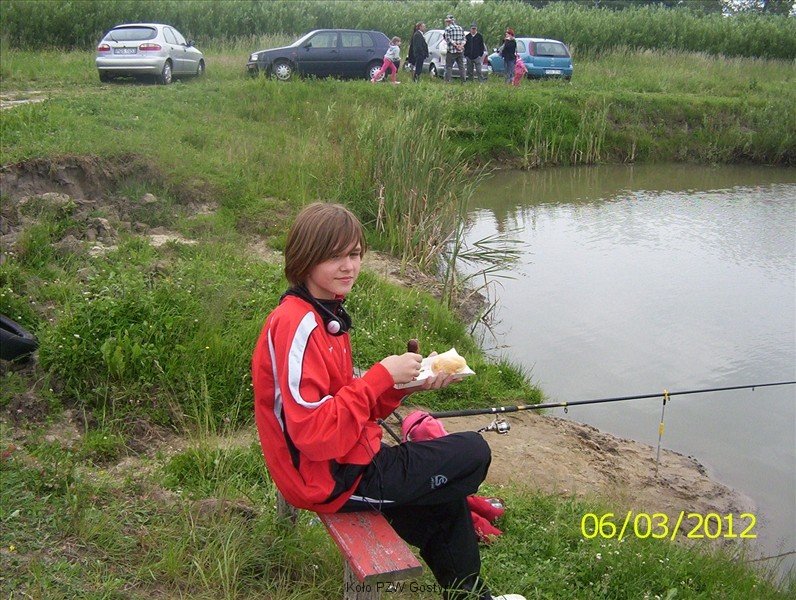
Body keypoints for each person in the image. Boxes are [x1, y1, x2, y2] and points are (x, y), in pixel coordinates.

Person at [252, 202, 526, 600]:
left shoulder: (326, 315)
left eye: (355, 254)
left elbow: (350, 408)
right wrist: (381, 375)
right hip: (327, 479)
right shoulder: (299, 325)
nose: (348, 266)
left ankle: (470, 595)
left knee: (444, 492)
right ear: (306, 258)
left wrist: (405, 386)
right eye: (334, 256)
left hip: (347, 459)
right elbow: (313, 434)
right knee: (472, 451)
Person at [443, 14, 465, 83]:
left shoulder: (448, 29)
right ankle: (463, 81)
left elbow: (448, 39)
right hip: (460, 51)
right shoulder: (460, 28)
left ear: (448, 22)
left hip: (451, 51)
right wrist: (461, 46)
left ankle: (448, 81)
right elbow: (464, 38)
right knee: (461, 66)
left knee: (449, 67)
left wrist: (455, 45)